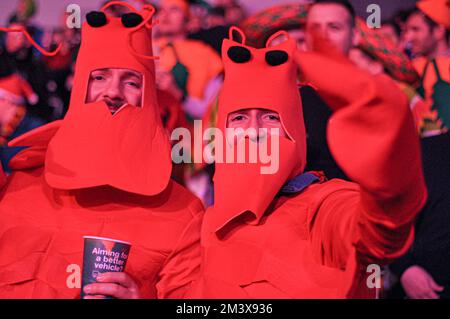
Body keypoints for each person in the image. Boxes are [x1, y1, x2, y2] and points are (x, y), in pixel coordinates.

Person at [189, 26, 427, 299]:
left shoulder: (325, 205)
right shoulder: (204, 222)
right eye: (239, 118)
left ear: (294, 129)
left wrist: (388, 169)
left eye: (270, 117)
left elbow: (378, 238)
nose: (253, 131)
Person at [0, 2, 203, 299]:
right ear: (80, 84)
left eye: (131, 82)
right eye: (99, 77)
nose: (112, 92)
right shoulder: (17, 184)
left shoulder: (182, 213)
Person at [404, 0, 450, 135]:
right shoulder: (412, 67)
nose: (408, 37)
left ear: (439, 31)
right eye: (406, 31)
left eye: (415, 29)